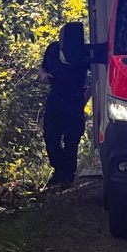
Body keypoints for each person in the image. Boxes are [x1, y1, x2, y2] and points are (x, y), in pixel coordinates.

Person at [40, 25, 91, 188]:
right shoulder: (53, 49)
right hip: (55, 97)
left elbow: (98, 74)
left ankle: (68, 176)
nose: (62, 40)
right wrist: (43, 75)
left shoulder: (84, 52)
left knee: (72, 138)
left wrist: (86, 95)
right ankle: (59, 171)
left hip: (74, 98)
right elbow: (43, 67)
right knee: (50, 136)